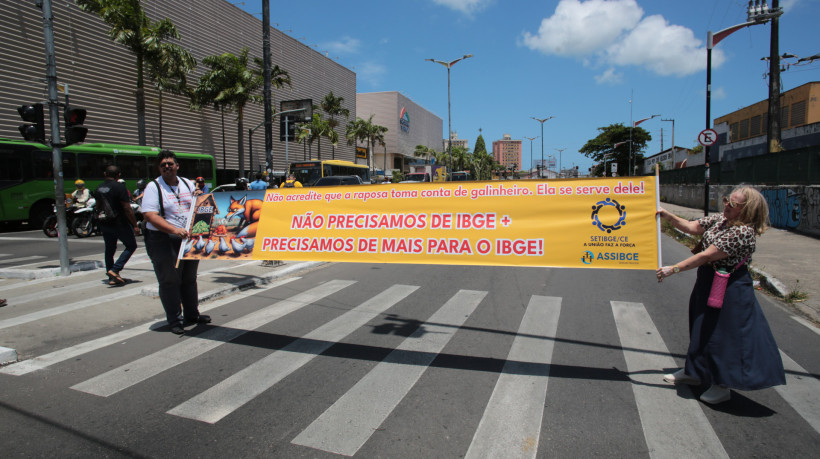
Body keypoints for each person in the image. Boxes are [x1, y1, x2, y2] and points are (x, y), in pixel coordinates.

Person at [656, 186, 785, 404]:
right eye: (727, 200)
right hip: (708, 280)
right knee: (700, 325)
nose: (726, 205)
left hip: (729, 286)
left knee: (724, 335)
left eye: (733, 204)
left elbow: (706, 256)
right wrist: (666, 214)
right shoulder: (721, 220)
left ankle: (721, 385)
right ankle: (693, 372)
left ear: (747, 210)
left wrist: (673, 269)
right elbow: (691, 226)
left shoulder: (743, 233)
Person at [141, 150, 211, 335]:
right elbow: (149, 216)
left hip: (187, 239)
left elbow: (199, 206)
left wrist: (199, 196)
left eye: (170, 163)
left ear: (177, 166)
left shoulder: (187, 183)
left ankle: (192, 315)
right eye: (163, 164)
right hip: (164, 240)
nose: (167, 166)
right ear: (159, 168)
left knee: (189, 279)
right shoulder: (154, 187)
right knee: (170, 281)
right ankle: (174, 320)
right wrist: (174, 230)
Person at [95, 165, 140, 285]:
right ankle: (115, 270)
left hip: (105, 223)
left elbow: (97, 206)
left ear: (105, 174)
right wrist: (135, 225)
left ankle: (111, 278)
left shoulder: (99, 187)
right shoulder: (119, 187)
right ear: (118, 175)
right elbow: (127, 208)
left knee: (109, 249)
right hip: (119, 223)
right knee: (131, 246)